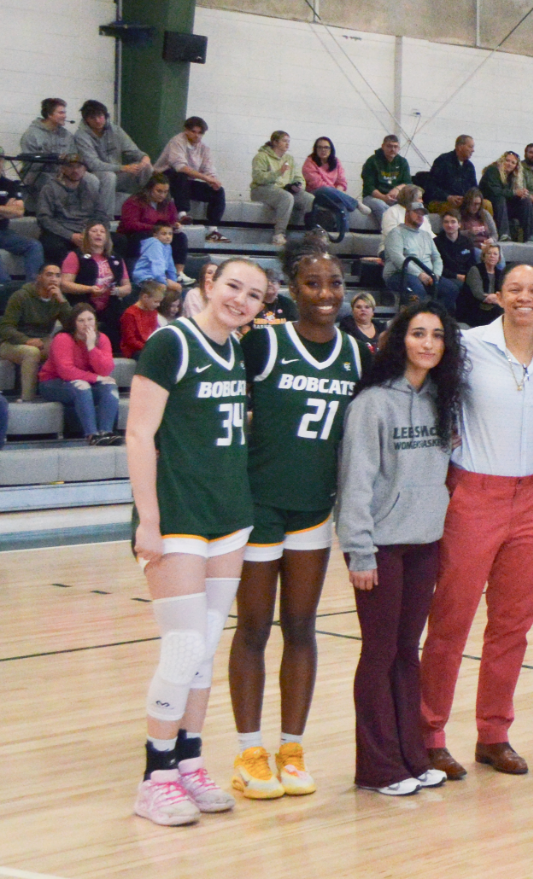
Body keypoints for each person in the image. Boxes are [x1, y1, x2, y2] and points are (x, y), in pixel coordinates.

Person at [125, 257, 270, 825]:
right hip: (178, 514)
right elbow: (139, 433)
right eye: (233, 286)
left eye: (254, 295)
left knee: (206, 648)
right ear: (209, 284)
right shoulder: (170, 343)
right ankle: (154, 774)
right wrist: (147, 520)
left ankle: (189, 760)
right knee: (182, 646)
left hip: (229, 515)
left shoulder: (238, 349)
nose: (240, 299)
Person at [226, 239, 365, 800]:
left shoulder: (356, 353)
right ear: (290, 288)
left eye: (334, 283)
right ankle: (248, 751)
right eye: (313, 283)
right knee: (254, 629)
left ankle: (291, 747)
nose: (326, 294)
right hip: (259, 505)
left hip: (314, 506)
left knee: (302, 628)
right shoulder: (264, 342)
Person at [419, 263, 533, 779]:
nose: (525, 297)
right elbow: (431, 396)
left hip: (531, 497)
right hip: (473, 493)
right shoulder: (468, 345)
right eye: (515, 289)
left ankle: (493, 734)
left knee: (513, 624)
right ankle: (430, 733)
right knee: (452, 620)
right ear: (498, 295)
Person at [338, 302, 458, 795]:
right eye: (417, 334)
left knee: (408, 653)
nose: (427, 343)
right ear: (399, 340)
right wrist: (360, 551)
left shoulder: (441, 399)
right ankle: (378, 766)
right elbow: (356, 479)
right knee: (380, 652)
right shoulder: (373, 403)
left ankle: (411, 756)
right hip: (380, 547)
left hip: (423, 544)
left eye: (435, 335)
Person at [40, 305, 121, 443]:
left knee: (110, 385)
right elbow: (66, 371)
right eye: (81, 321)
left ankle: (106, 432)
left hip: (86, 381)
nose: (86, 324)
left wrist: (91, 347)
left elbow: (105, 370)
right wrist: (95, 377)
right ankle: (92, 435)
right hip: (53, 382)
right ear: (74, 323)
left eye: (90, 319)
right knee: (82, 386)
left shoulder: (102, 339)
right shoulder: (63, 338)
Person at [0, 264, 72, 398]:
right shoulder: (21, 296)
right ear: (39, 277)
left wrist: (62, 301)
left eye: (57, 276)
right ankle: (28, 399)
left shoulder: (57, 299)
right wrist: (26, 340)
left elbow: (72, 326)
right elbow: (5, 328)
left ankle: (60, 391)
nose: (53, 279)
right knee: (31, 352)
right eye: (49, 275)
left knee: (62, 346)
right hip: (11, 343)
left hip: (41, 341)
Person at [77, 99, 152, 221]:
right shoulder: (81, 136)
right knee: (109, 176)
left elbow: (133, 150)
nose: (98, 121)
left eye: (100, 116)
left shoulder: (115, 130)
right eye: (93, 118)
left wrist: (144, 158)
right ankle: (106, 219)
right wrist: (121, 167)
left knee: (146, 168)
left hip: (119, 173)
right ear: (86, 119)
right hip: (94, 176)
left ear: (105, 116)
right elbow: (93, 164)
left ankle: (150, 210)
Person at [156, 118, 227, 241]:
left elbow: (208, 168)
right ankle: (182, 213)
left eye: (200, 133)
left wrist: (213, 181)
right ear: (186, 130)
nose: (197, 135)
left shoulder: (204, 148)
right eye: (194, 132)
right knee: (181, 175)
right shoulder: (177, 141)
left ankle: (212, 230)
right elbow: (180, 167)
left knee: (218, 191)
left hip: (184, 184)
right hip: (164, 179)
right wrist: (206, 178)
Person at [37, 153, 101, 270]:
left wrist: (93, 233)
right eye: (71, 166)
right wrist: (70, 236)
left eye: (79, 166)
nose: (75, 170)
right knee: (53, 246)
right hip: (61, 233)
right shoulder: (50, 188)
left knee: (119, 240)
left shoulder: (91, 188)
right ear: (63, 168)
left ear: (85, 169)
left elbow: (101, 214)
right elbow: (44, 219)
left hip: (85, 231)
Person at [385, 202, 452, 310]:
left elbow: (437, 257)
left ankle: (438, 319)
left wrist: (436, 275)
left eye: (422, 214)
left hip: (428, 275)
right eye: (417, 213)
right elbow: (397, 258)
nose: (420, 216)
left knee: (451, 288)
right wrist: (419, 274)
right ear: (407, 214)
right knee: (417, 288)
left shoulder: (426, 235)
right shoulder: (396, 233)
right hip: (399, 273)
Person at [59, 220, 131, 316]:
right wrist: (89, 289)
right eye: (94, 231)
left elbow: (127, 287)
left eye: (102, 232)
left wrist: (117, 291)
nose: (98, 234)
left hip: (111, 308)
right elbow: (64, 285)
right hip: (83, 306)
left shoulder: (116, 258)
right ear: (86, 236)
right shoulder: (75, 256)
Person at [20, 97, 79, 203]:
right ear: (49, 115)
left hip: (63, 172)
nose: (64, 116)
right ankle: (51, 216)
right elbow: (29, 163)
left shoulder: (67, 135)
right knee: (51, 180)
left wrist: (69, 166)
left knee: (91, 180)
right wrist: (53, 159)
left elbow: (74, 156)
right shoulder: (31, 134)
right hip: (38, 174)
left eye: (64, 112)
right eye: (60, 113)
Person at [119, 174, 186, 266]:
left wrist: (175, 226)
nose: (162, 195)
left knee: (180, 237)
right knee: (143, 237)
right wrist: (156, 228)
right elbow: (130, 224)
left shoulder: (168, 203)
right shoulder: (134, 201)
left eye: (165, 192)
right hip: (136, 235)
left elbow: (172, 220)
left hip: (160, 233)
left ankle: (179, 272)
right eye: (159, 191)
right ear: (149, 189)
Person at [302, 137, 362, 231]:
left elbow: (342, 181)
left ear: (331, 149)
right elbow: (317, 184)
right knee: (325, 189)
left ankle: (344, 237)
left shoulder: (336, 161)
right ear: (315, 149)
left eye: (326, 147)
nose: (323, 150)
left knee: (341, 205)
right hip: (316, 194)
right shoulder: (309, 162)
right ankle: (356, 203)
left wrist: (338, 193)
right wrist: (336, 192)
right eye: (320, 147)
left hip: (332, 195)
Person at [0, 165, 44, 283]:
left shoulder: (10, 185)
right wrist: (6, 209)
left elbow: (19, 212)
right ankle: (5, 290)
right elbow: (12, 211)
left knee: (34, 246)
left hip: (3, 232)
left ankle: (31, 290)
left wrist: (7, 211)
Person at [359, 135, 413, 230]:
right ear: (383, 146)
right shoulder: (372, 161)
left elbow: (407, 182)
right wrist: (384, 197)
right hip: (373, 197)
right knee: (382, 206)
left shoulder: (402, 162)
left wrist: (397, 189)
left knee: (412, 206)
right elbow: (369, 187)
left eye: (395, 146)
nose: (392, 149)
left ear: (399, 148)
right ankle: (390, 233)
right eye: (389, 146)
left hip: (394, 198)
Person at [480, 151, 527, 243]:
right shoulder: (493, 170)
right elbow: (495, 191)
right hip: (491, 202)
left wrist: (522, 194)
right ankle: (504, 234)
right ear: (502, 161)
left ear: (516, 166)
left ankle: (531, 235)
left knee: (526, 201)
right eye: (507, 161)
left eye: (513, 163)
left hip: (504, 205)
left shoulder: (513, 176)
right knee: (500, 198)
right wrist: (515, 193)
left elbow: (512, 195)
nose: (509, 164)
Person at [130, 222, 184, 302]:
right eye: (164, 234)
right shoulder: (155, 244)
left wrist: (174, 280)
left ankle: (170, 310)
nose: (168, 236)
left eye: (170, 234)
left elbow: (171, 267)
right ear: (155, 235)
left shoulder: (167, 246)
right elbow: (158, 267)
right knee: (166, 288)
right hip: (145, 277)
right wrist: (164, 282)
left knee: (176, 287)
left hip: (155, 277)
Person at [424, 135, 477, 214]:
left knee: (487, 204)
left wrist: (470, 198)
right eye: (470, 147)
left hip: (464, 201)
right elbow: (431, 186)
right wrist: (448, 197)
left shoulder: (469, 166)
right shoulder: (442, 161)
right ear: (459, 147)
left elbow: (474, 187)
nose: (473, 150)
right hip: (442, 200)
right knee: (455, 209)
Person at [460, 242, 506, 327]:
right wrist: (496, 298)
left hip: (493, 306)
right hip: (474, 308)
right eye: (489, 253)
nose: (492, 256)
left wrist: (496, 298)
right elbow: (478, 294)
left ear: (499, 258)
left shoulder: (500, 274)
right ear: (484, 256)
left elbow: (503, 292)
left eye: (495, 254)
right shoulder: (475, 270)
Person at [434, 212, 477, 303]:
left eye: (453, 222)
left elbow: (472, 263)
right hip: (447, 277)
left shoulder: (467, 242)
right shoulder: (436, 242)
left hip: (466, 276)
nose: (449, 225)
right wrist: (456, 276)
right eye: (446, 222)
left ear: (459, 225)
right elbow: (438, 266)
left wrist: (469, 277)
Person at [122, 281, 168, 357]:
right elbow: (130, 340)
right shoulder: (130, 314)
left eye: (159, 302)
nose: (158, 305)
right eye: (156, 301)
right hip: (134, 350)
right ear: (145, 297)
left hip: (148, 347)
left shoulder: (153, 312)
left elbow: (153, 334)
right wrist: (149, 348)